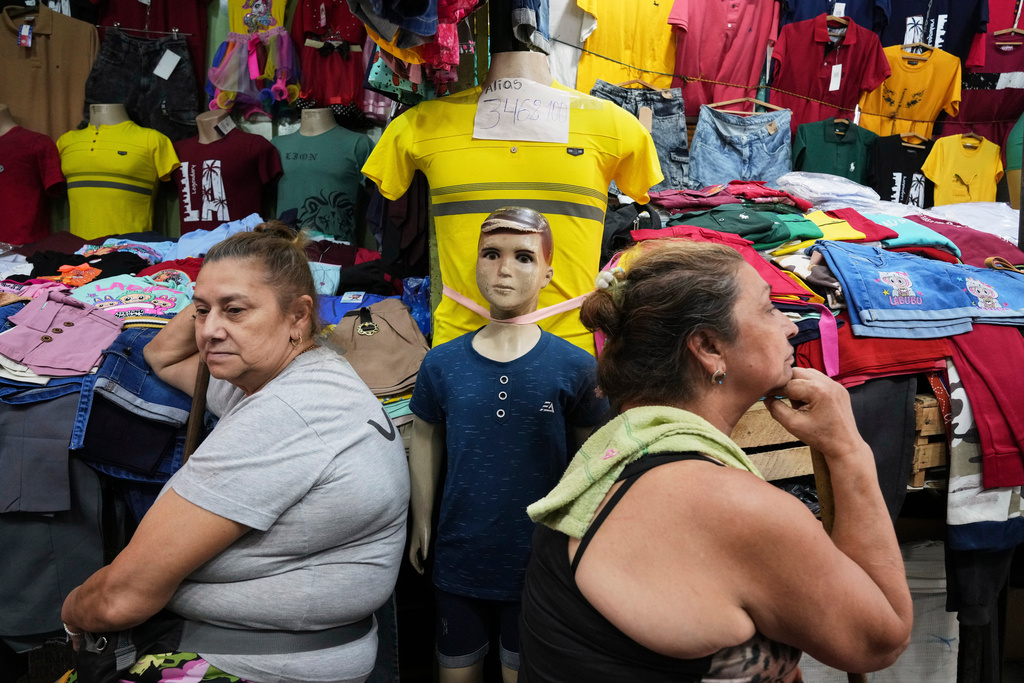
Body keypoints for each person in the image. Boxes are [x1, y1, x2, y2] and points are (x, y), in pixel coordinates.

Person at [518, 239, 913, 681]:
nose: (789, 326)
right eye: (768, 308)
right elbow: (882, 639)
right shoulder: (733, 507)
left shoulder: (614, 452)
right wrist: (849, 450)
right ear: (709, 347)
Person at [60, 223, 410, 683]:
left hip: (245, 665)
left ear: (299, 317)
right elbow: (163, 357)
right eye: (202, 312)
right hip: (272, 649)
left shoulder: (285, 414)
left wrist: (71, 613)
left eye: (236, 311)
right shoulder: (302, 375)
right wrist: (220, 291)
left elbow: (118, 599)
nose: (209, 331)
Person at [408, 207, 607, 683]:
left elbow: (590, 461)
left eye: (522, 257)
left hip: (539, 562)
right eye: (491, 254)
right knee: (455, 672)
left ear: (547, 272)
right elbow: (425, 441)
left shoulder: (575, 367)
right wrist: (420, 524)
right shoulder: (442, 364)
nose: (503, 269)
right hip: (458, 557)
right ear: (473, 262)